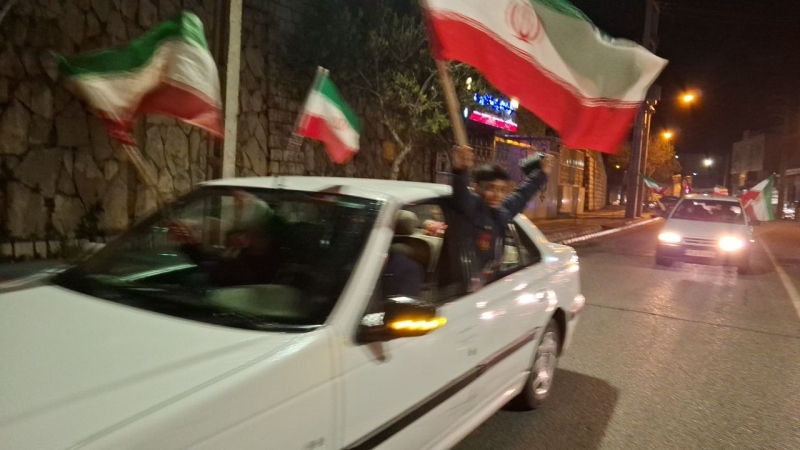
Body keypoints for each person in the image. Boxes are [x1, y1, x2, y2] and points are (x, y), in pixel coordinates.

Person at [449, 145, 550, 279]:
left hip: (489, 283)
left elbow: (523, 193)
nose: (497, 195)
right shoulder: (470, 208)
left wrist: (542, 173)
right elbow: (461, 196)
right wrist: (459, 170)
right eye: (490, 188)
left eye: (502, 190)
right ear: (475, 188)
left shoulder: (502, 211)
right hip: (464, 283)